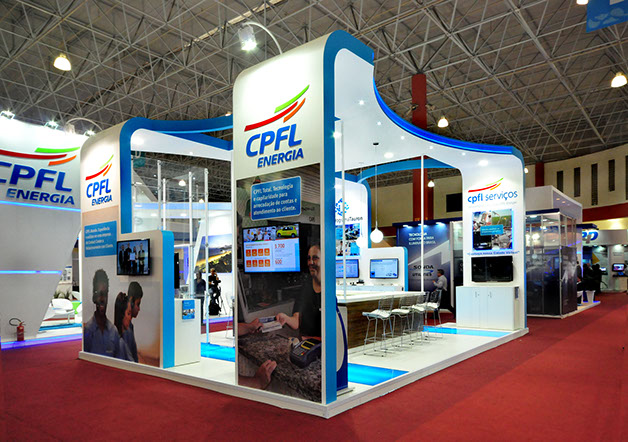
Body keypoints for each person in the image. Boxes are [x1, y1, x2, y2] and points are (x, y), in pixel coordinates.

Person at [276, 244, 322, 339]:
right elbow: (296, 322)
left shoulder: (330, 289)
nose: (310, 262)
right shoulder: (305, 287)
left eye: (315, 258)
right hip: (305, 343)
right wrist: (285, 318)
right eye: (309, 259)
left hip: (323, 345)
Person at [83, 269, 119, 357]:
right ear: (94, 297)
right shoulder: (88, 331)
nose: (102, 299)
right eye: (99, 294)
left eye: (105, 294)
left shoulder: (113, 331)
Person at [124, 281, 143, 362]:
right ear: (131, 302)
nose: (139, 309)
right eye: (138, 304)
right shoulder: (125, 329)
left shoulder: (130, 326)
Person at [114, 292, 135, 361]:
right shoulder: (120, 343)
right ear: (121, 315)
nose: (130, 318)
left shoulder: (128, 333)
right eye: (128, 313)